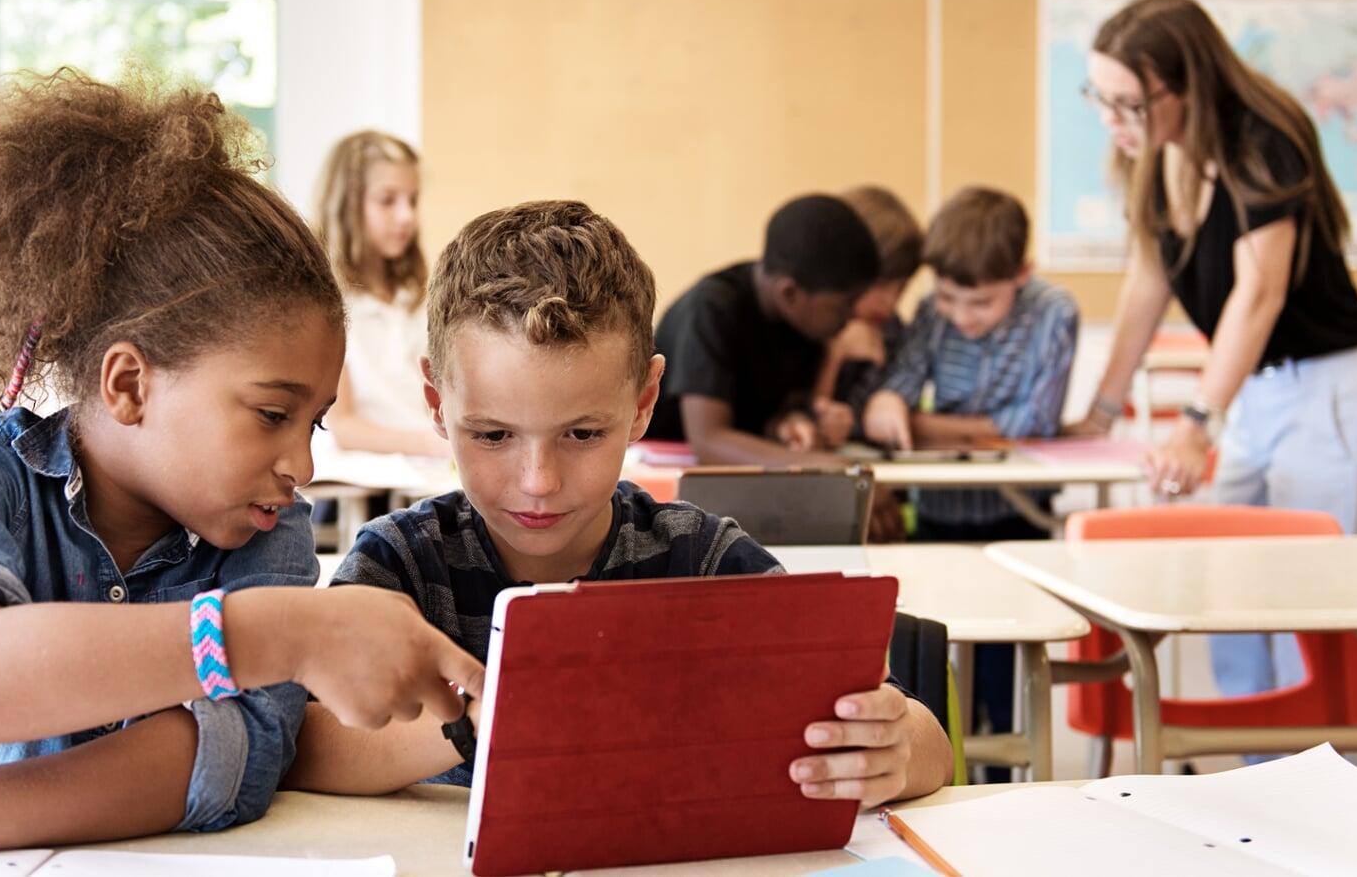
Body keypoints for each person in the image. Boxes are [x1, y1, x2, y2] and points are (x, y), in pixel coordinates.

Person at [0, 70, 483, 855]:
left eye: (313, 424)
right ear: (130, 384)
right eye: (273, 416)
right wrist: (278, 632)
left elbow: (218, 760)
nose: (301, 465)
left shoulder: (268, 538)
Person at [290, 201, 952, 807]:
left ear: (642, 403)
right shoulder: (397, 565)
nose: (539, 481)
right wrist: (480, 723)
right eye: (493, 435)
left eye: (582, 434)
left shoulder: (700, 559)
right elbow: (305, 746)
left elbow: (927, 744)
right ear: (438, 403)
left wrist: (897, 748)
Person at [1064, 0, 1357, 700]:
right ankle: (1254, 768)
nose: (1111, 122)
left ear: (1185, 86)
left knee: (1306, 600)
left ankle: (1328, 777)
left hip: (1328, 387)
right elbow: (1148, 279)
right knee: (1226, 582)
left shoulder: (1264, 137)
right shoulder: (1158, 153)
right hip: (1258, 388)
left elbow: (1259, 293)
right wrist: (1102, 408)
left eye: (1128, 103)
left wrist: (1197, 425)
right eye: (1099, 99)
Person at [862, 187, 1078, 762]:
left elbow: (1032, 422)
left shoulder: (1054, 312)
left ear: (1022, 274)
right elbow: (893, 401)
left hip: (1017, 524)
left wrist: (925, 423)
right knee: (934, 664)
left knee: (1007, 675)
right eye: (950, 298)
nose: (961, 316)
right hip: (936, 518)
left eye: (980, 303)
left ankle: (1008, 787)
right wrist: (896, 407)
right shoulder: (932, 312)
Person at [646, 195, 903, 539]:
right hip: (669, 502)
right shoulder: (713, 310)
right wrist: (835, 471)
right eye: (844, 304)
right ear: (790, 293)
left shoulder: (810, 324)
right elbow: (709, 439)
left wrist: (794, 423)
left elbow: (777, 412)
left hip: (746, 494)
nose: (854, 314)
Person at [313, 130, 445, 457]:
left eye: (412, 201)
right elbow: (342, 427)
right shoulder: (324, 302)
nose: (406, 217)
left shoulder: (415, 297)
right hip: (363, 492)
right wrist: (436, 446)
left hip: (425, 478)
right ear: (347, 205)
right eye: (388, 200)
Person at [776, 185, 924, 450]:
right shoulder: (801, 321)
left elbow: (871, 427)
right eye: (879, 285)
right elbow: (793, 425)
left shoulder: (890, 330)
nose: (889, 302)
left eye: (901, 288)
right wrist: (834, 356)